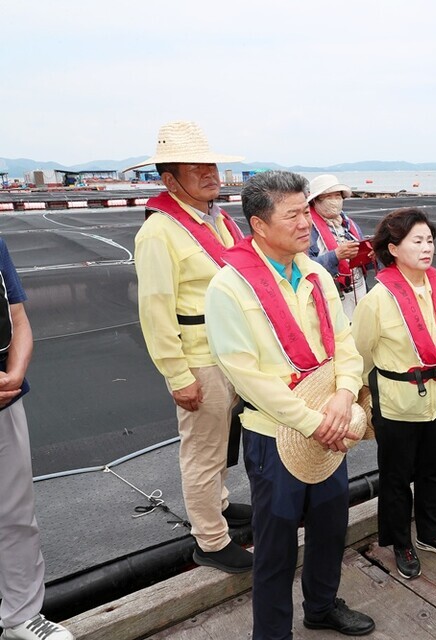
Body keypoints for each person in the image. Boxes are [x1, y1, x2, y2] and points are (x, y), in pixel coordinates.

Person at [205, 171, 375, 638]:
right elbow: (248, 376)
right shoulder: (229, 287)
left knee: (330, 524)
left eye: (307, 210)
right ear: (259, 225)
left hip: (330, 421)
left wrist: (343, 394)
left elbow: (344, 341)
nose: (307, 222)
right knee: (276, 544)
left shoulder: (315, 273)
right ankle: (273, 633)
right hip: (274, 435)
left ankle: (321, 605)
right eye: (295, 214)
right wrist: (313, 420)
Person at [125, 121, 253, 573]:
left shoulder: (218, 219)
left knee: (221, 443)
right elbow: (155, 311)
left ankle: (217, 504)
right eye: (194, 167)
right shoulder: (159, 232)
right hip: (199, 358)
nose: (209, 173)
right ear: (169, 180)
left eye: (211, 164)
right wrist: (177, 375)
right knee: (202, 450)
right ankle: (211, 539)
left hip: (232, 352)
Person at [352, 208, 436, 580]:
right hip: (398, 402)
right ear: (394, 248)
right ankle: (400, 542)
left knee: (435, 469)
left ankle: (432, 533)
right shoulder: (377, 300)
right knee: (397, 477)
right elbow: (361, 352)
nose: (427, 247)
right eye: (417, 241)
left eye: (430, 240)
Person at [0, 239, 74, 640]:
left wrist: (15, 371)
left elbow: (18, 316)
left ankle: (20, 616)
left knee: (15, 515)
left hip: (5, 401)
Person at [306, 174, 374, 318]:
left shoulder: (349, 224)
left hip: (359, 290)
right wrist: (336, 255)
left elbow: (366, 264)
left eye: (338, 196)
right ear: (315, 201)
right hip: (329, 295)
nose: (335, 201)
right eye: (329, 197)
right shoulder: (307, 228)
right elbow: (303, 266)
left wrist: (371, 255)